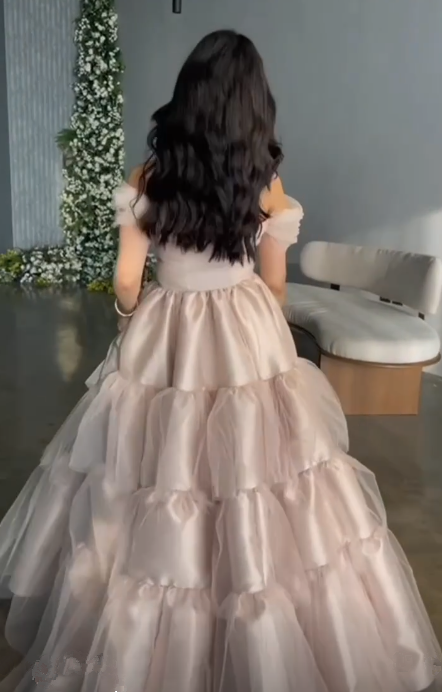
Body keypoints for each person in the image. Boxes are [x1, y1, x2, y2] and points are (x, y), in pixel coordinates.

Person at [0, 29, 440, 692]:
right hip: (245, 327)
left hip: (168, 330)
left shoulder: (148, 178)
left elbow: (126, 280)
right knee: (258, 471)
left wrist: (133, 319)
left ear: (187, 96)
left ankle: (156, 613)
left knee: (154, 464)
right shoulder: (264, 181)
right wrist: (260, 330)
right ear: (254, 106)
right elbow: (276, 286)